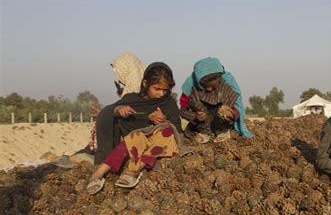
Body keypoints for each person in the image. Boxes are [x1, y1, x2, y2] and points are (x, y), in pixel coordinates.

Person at [86, 62, 184, 194]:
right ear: (145, 84)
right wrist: (119, 109)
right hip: (135, 143)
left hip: (158, 144)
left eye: (165, 90)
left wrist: (164, 121)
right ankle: (98, 173)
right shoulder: (131, 99)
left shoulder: (169, 103)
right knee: (136, 136)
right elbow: (107, 112)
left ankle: (133, 171)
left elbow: (176, 129)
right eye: (157, 89)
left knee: (165, 132)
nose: (161, 93)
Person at [179, 57, 253, 143]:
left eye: (214, 87)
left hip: (221, 126)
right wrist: (195, 116)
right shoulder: (191, 87)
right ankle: (203, 133)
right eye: (206, 86)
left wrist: (232, 114)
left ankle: (222, 132)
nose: (210, 89)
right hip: (200, 127)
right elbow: (183, 111)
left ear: (220, 79)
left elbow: (237, 107)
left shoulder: (227, 86)